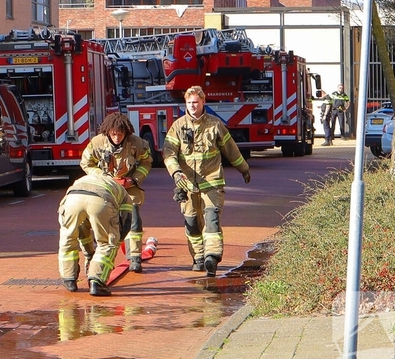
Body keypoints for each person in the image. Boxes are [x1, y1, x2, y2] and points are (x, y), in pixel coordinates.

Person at [163, 85, 251, 277]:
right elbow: (169, 154)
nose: (192, 106)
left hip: (212, 182)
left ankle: (212, 257)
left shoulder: (215, 125)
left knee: (211, 219)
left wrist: (243, 168)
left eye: (196, 102)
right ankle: (198, 258)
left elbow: (231, 149)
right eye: (189, 102)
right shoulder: (177, 127)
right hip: (186, 184)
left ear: (203, 102)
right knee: (192, 223)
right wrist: (176, 173)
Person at [79, 112, 152, 272]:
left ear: (126, 132)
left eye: (120, 134)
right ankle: (97, 257)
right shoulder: (97, 143)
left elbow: (146, 162)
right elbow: (86, 163)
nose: (117, 138)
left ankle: (135, 257)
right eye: (113, 134)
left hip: (129, 188)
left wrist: (134, 179)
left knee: (133, 218)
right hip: (105, 187)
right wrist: (103, 177)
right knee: (99, 218)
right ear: (107, 132)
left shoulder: (137, 143)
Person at [57, 160, 134, 296]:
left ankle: (69, 279)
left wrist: (90, 255)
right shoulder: (120, 189)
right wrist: (117, 240)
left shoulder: (83, 178)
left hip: (72, 200)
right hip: (101, 201)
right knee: (107, 243)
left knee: (68, 238)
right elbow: (126, 221)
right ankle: (97, 282)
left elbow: (83, 232)